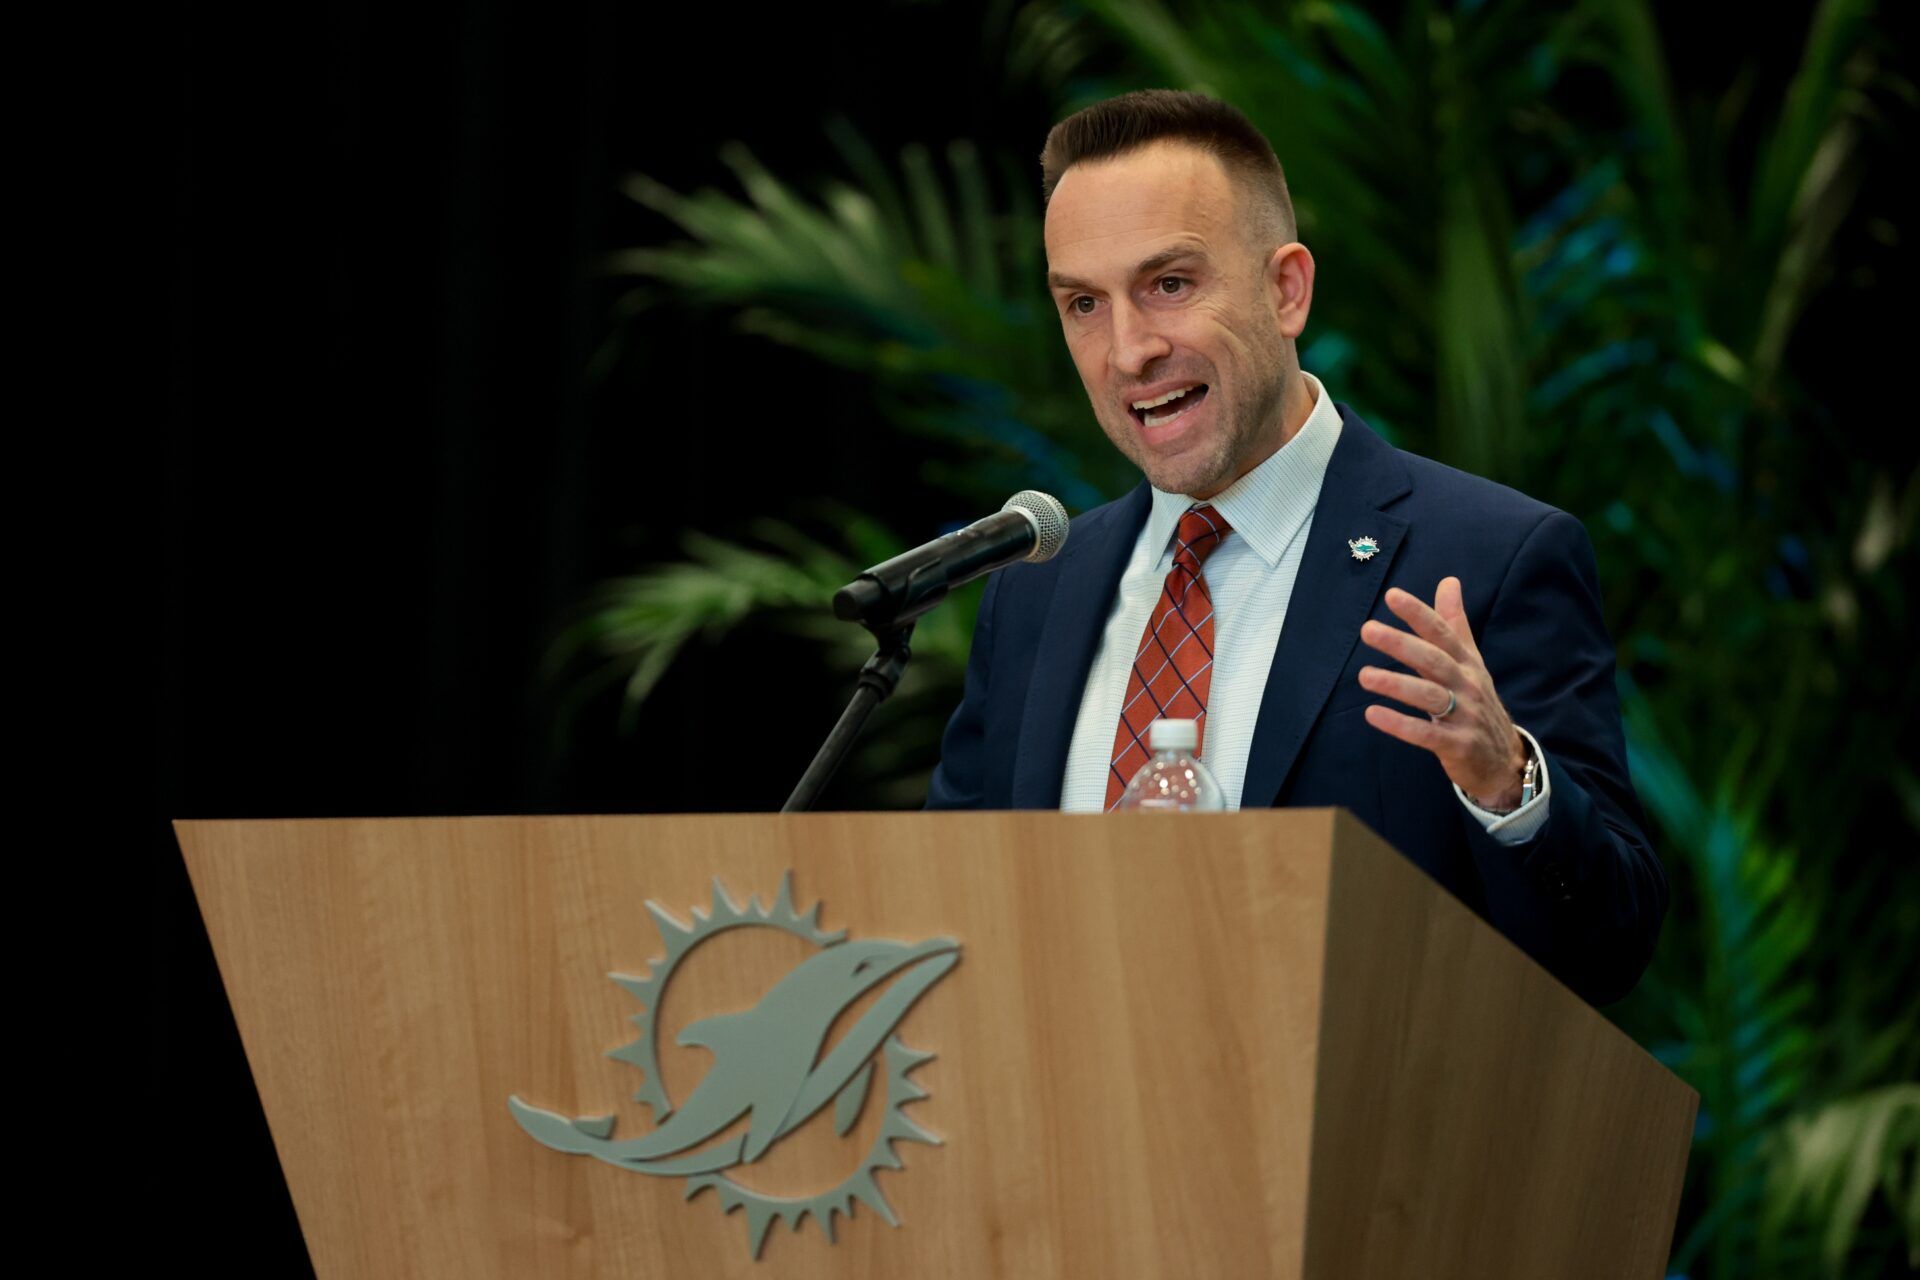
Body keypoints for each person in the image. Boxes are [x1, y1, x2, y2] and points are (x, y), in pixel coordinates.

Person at [924, 90, 1666, 1006]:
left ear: (1286, 289)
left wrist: (1508, 785)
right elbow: (955, 932)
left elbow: (1611, 949)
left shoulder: (1485, 559)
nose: (1128, 351)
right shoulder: (1038, 591)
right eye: (1083, 303)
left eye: (1169, 285)